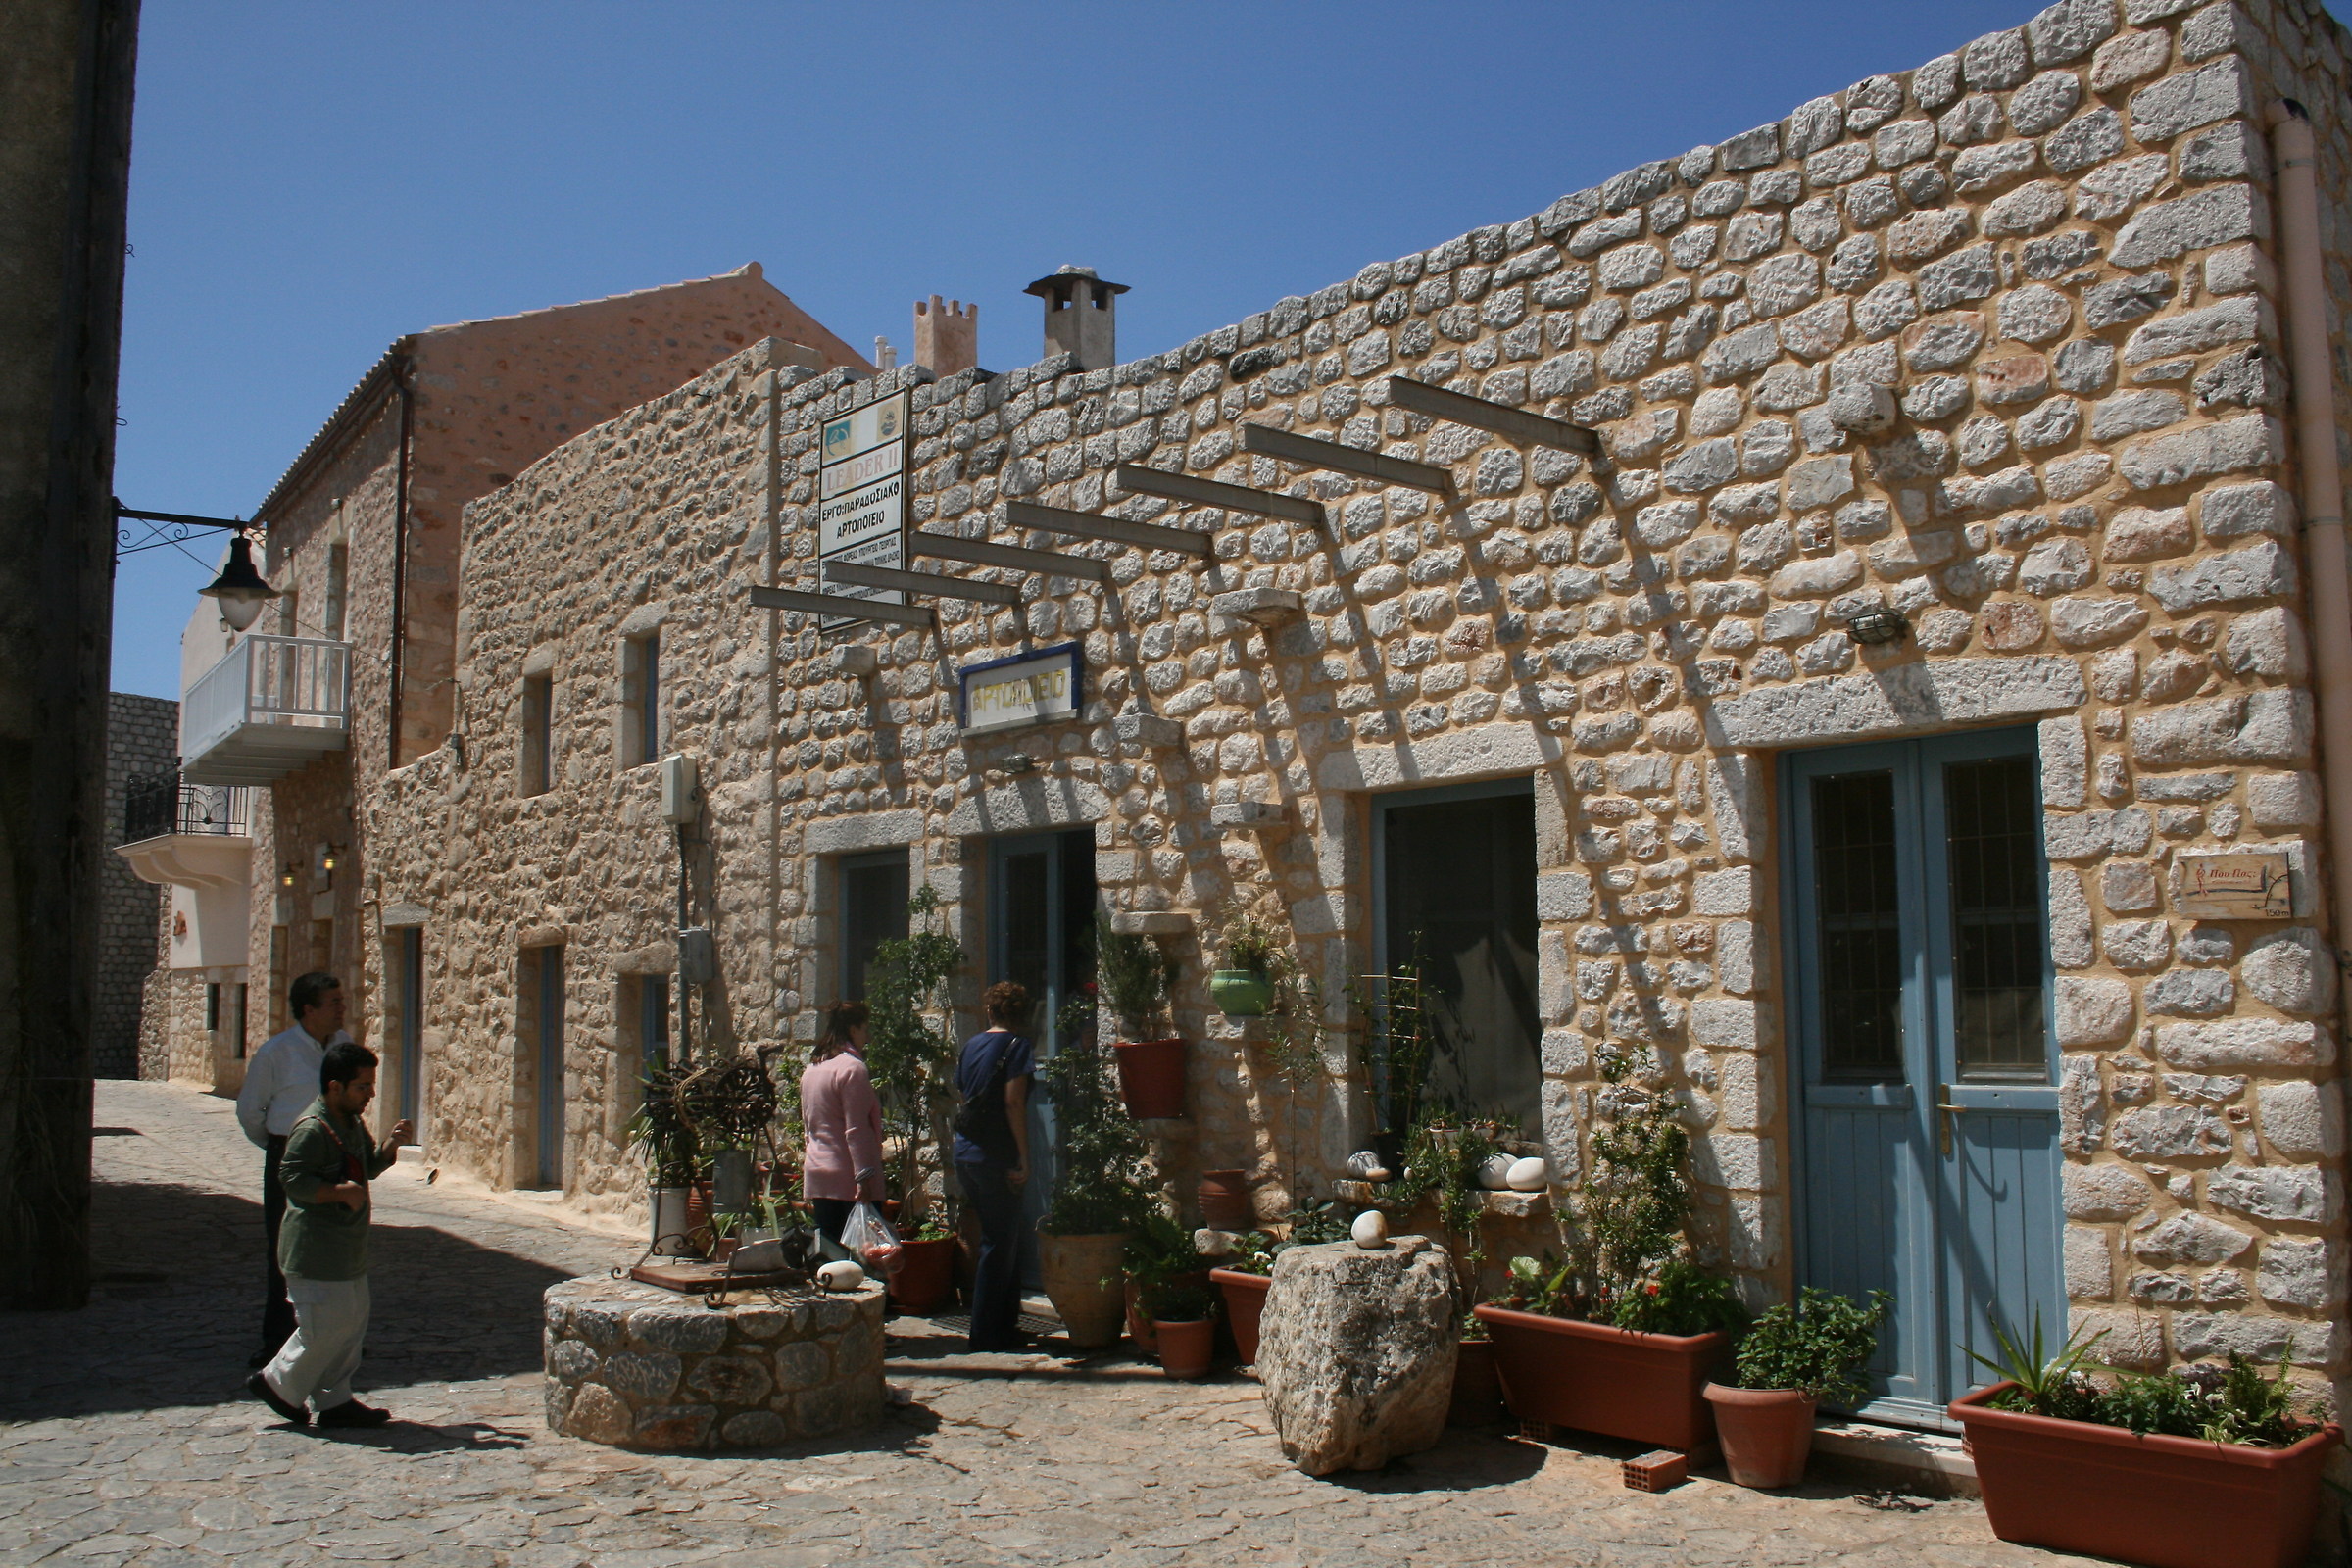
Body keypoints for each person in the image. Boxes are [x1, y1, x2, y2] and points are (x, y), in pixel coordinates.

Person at [246, 1039, 410, 1428]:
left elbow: (366, 1165)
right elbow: (292, 1178)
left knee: (351, 1325)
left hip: (345, 1250)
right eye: (361, 1087)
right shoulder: (311, 1129)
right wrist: (337, 1192)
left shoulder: (350, 1123)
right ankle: (277, 1384)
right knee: (323, 1328)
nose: (370, 1094)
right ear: (335, 1087)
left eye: (370, 1086)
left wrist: (390, 1147)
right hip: (314, 1252)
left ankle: (335, 1399)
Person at [234, 972, 355, 1368]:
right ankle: (278, 1341)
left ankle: (334, 1337)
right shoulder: (277, 1053)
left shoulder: (343, 1047)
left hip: (335, 1157)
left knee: (337, 1248)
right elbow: (251, 1111)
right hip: (292, 1156)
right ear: (309, 1009)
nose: (342, 1007)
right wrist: (283, 1150)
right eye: (334, 1001)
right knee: (286, 1249)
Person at [953, 981, 1035, 1352]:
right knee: (998, 1242)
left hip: (966, 1154)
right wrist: (1023, 1155)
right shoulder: (1018, 1047)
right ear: (1021, 1014)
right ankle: (986, 1332)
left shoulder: (971, 1045)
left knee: (1002, 1236)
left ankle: (1005, 1322)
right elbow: (1014, 1102)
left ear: (990, 1011)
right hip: (996, 1156)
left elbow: (963, 1091)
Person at [799, 1001, 885, 1243]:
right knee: (861, 1254)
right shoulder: (852, 1069)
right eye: (865, 1030)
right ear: (854, 1029)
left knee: (828, 1251)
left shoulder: (812, 1070)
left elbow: (809, 1124)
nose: (867, 1038)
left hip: (819, 1170)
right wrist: (864, 1177)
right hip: (847, 1175)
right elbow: (855, 1128)